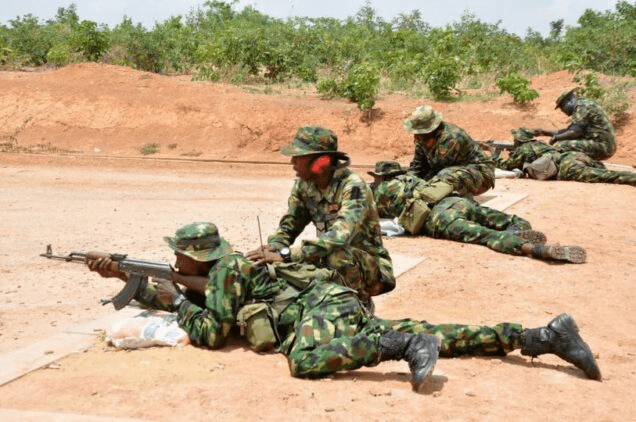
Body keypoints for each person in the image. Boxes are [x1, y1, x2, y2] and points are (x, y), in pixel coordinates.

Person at [88, 222, 602, 390]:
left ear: (194, 258)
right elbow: (195, 295)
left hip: (320, 310)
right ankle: (541, 336)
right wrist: (131, 277)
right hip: (337, 301)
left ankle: (403, 346)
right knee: (440, 330)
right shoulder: (224, 270)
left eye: (178, 258)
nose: (174, 261)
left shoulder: (222, 275)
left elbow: (211, 332)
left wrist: (177, 301)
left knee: (306, 361)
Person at [245, 126, 395, 306]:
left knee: (334, 255)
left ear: (321, 162)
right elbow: (289, 225)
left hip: (371, 268)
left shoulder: (353, 187)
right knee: (285, 264)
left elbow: (339, 237)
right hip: (332, 258)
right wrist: (274, 248)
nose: (293, 162)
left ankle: (357, 306)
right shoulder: (304, 186)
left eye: (299, 157)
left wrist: (286, 254)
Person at [368, 161, 587, 264]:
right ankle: (517, 230)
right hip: (457, 201)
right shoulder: (414, 179)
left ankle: (538, 249)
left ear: (380, 177)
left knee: (486, 236)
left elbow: (370, 210)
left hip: (440, 218)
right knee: (505, 219)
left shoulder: (382, 191)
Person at [403, 105, 495, 197]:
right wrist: (409, 182)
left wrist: (420, 188)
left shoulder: (451, 137)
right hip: (452, 172)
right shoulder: (424, 138)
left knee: (444, 178)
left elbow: (439, 169)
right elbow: (417, 166)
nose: (417, 134)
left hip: (480, 175)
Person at [496, 128, 636, 186]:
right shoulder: (539, 144)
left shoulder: (524, 149)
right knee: (604, 171)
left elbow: (505, 166)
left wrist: (493, 154)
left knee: (606, 176)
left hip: (567, 166)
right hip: (574, 156)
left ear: (519, 140)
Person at [532, 89, 616, 161]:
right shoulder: (583, 104)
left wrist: (557, 138)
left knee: (562, 145)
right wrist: (544, 132)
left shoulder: (582, 107)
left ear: (569, 100)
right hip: (601, 144)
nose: (563, 111)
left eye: (562, 108)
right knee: (565, 141)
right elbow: (568, 132)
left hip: (603, 146)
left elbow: (574, 133)